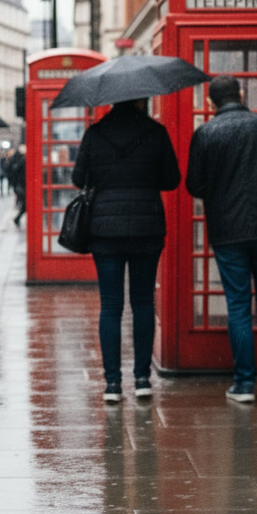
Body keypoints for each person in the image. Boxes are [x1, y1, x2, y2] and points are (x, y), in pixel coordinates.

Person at [186, 75, 257, 402]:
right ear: (242, 93)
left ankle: (244, 384)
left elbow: (194, 185)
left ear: (211, 103)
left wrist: (218, 192)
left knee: (238, 304)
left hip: (227, 228)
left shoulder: (205, 133)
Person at [72, 99, 180, 402]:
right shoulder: (156, 132)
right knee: (143, 302)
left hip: (105, 230)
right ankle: (142, 379)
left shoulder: (95, 134)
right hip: (147, 227)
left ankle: (113, 385)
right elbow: (172, 179)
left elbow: (78, 179)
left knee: (111, 305)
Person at [7, 143, 27, 227]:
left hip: (22, 186)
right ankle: (17, 218)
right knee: (25, 205)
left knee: (25, 205)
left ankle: (17, 218)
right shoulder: (23, 161)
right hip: (23, 186)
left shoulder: (19, 161)